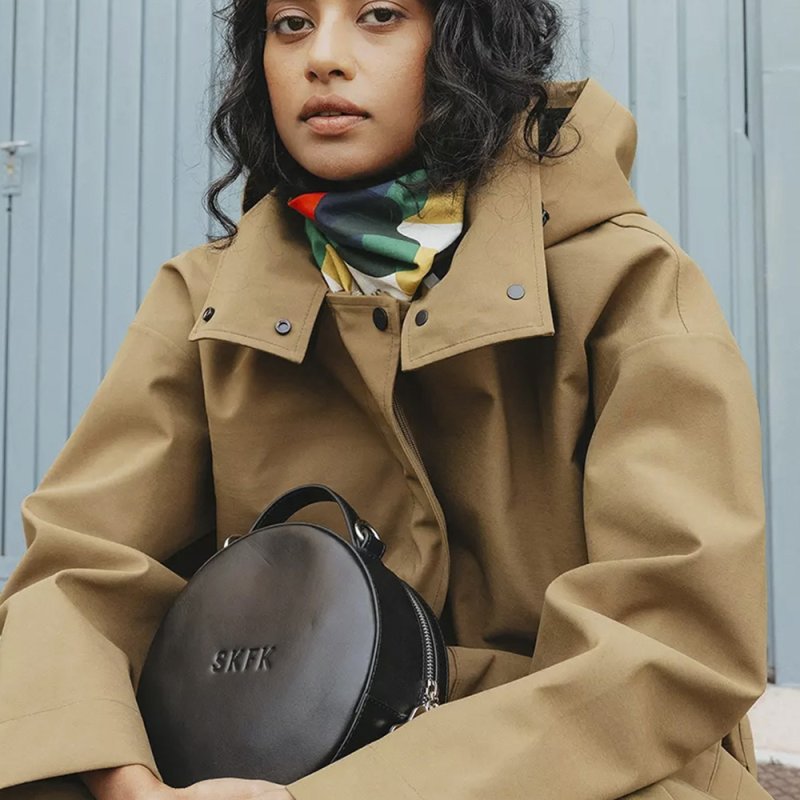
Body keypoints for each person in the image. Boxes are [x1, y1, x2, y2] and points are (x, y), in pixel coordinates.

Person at [0, 1, 773, 799]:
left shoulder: (627, 283)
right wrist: (129, 786)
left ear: (469, 40)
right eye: (291, 24)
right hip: (256, 749)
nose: (322, 57)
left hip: (567, 769)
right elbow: (76, 577)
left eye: (377, 15)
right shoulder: (205, 296)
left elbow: (669, 645)